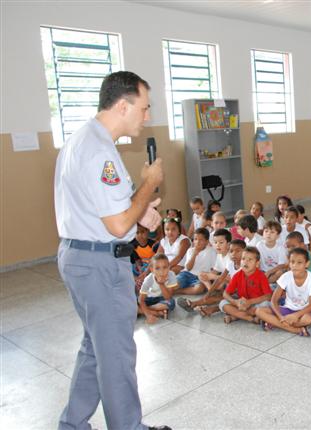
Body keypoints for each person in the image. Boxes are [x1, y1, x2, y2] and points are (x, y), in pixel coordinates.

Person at [54, 71, 169, 430]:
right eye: (144, 108)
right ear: (123, 105)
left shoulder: (82, 139)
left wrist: (140, 213)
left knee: (95, 349)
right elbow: (119, 225)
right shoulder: (100, 151)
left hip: (80, 256)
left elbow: (114, 214)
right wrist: (149, 183)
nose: (147, 116)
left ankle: (72, 424)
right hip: (99, 266)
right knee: (116, 356)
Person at [256, 248, 311, 336]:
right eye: (292, 262)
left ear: (307, 264)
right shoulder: (286, 276)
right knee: (259, 311)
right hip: (287, 309)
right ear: (289, 263)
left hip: (303, 311)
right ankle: (296, 330)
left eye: (299, 262)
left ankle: (276, 324)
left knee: (307, 319)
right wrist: (280, 317)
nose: (295, 265)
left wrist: (295, 315)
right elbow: (274, 300)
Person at [219, 247, 272, 325]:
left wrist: (250, 302)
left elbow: (268, 296)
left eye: (250, 260)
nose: (245, 262)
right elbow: (225, 294)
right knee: (222, 304)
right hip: (241, 303)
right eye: (243, 259)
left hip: (256, 303)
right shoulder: (237, 275)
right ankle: (250, 318)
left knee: (266, 305)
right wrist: (235, 302)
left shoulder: (261, 276)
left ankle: (236, 316)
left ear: (257, 264)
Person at [175, 228, 216, 295]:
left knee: (199, 289)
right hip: (186, 274)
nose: (197, 242)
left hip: (199, 278)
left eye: (201, 240)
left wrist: (209, 279)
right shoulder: (190, 251)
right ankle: (179, 288)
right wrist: (194, 255)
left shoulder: (211, 251)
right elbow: (188, 268)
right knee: (174, 285)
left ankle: (178, 291)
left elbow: (213, 268)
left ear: (207, 241)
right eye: (195, 239)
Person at [138, 254, 177, 324]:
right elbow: (141, 300)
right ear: (152, 269)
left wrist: (161, 284)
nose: (161, 271)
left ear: (169, 267)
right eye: (157, 268)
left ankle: (141, 310)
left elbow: (168, 297)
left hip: (162, 299)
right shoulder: (149, 279)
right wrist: (148, 315)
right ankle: (157, 313)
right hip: (148, 299)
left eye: (165, 267)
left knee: (171, 302)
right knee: (131, 304)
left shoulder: (171, 275)